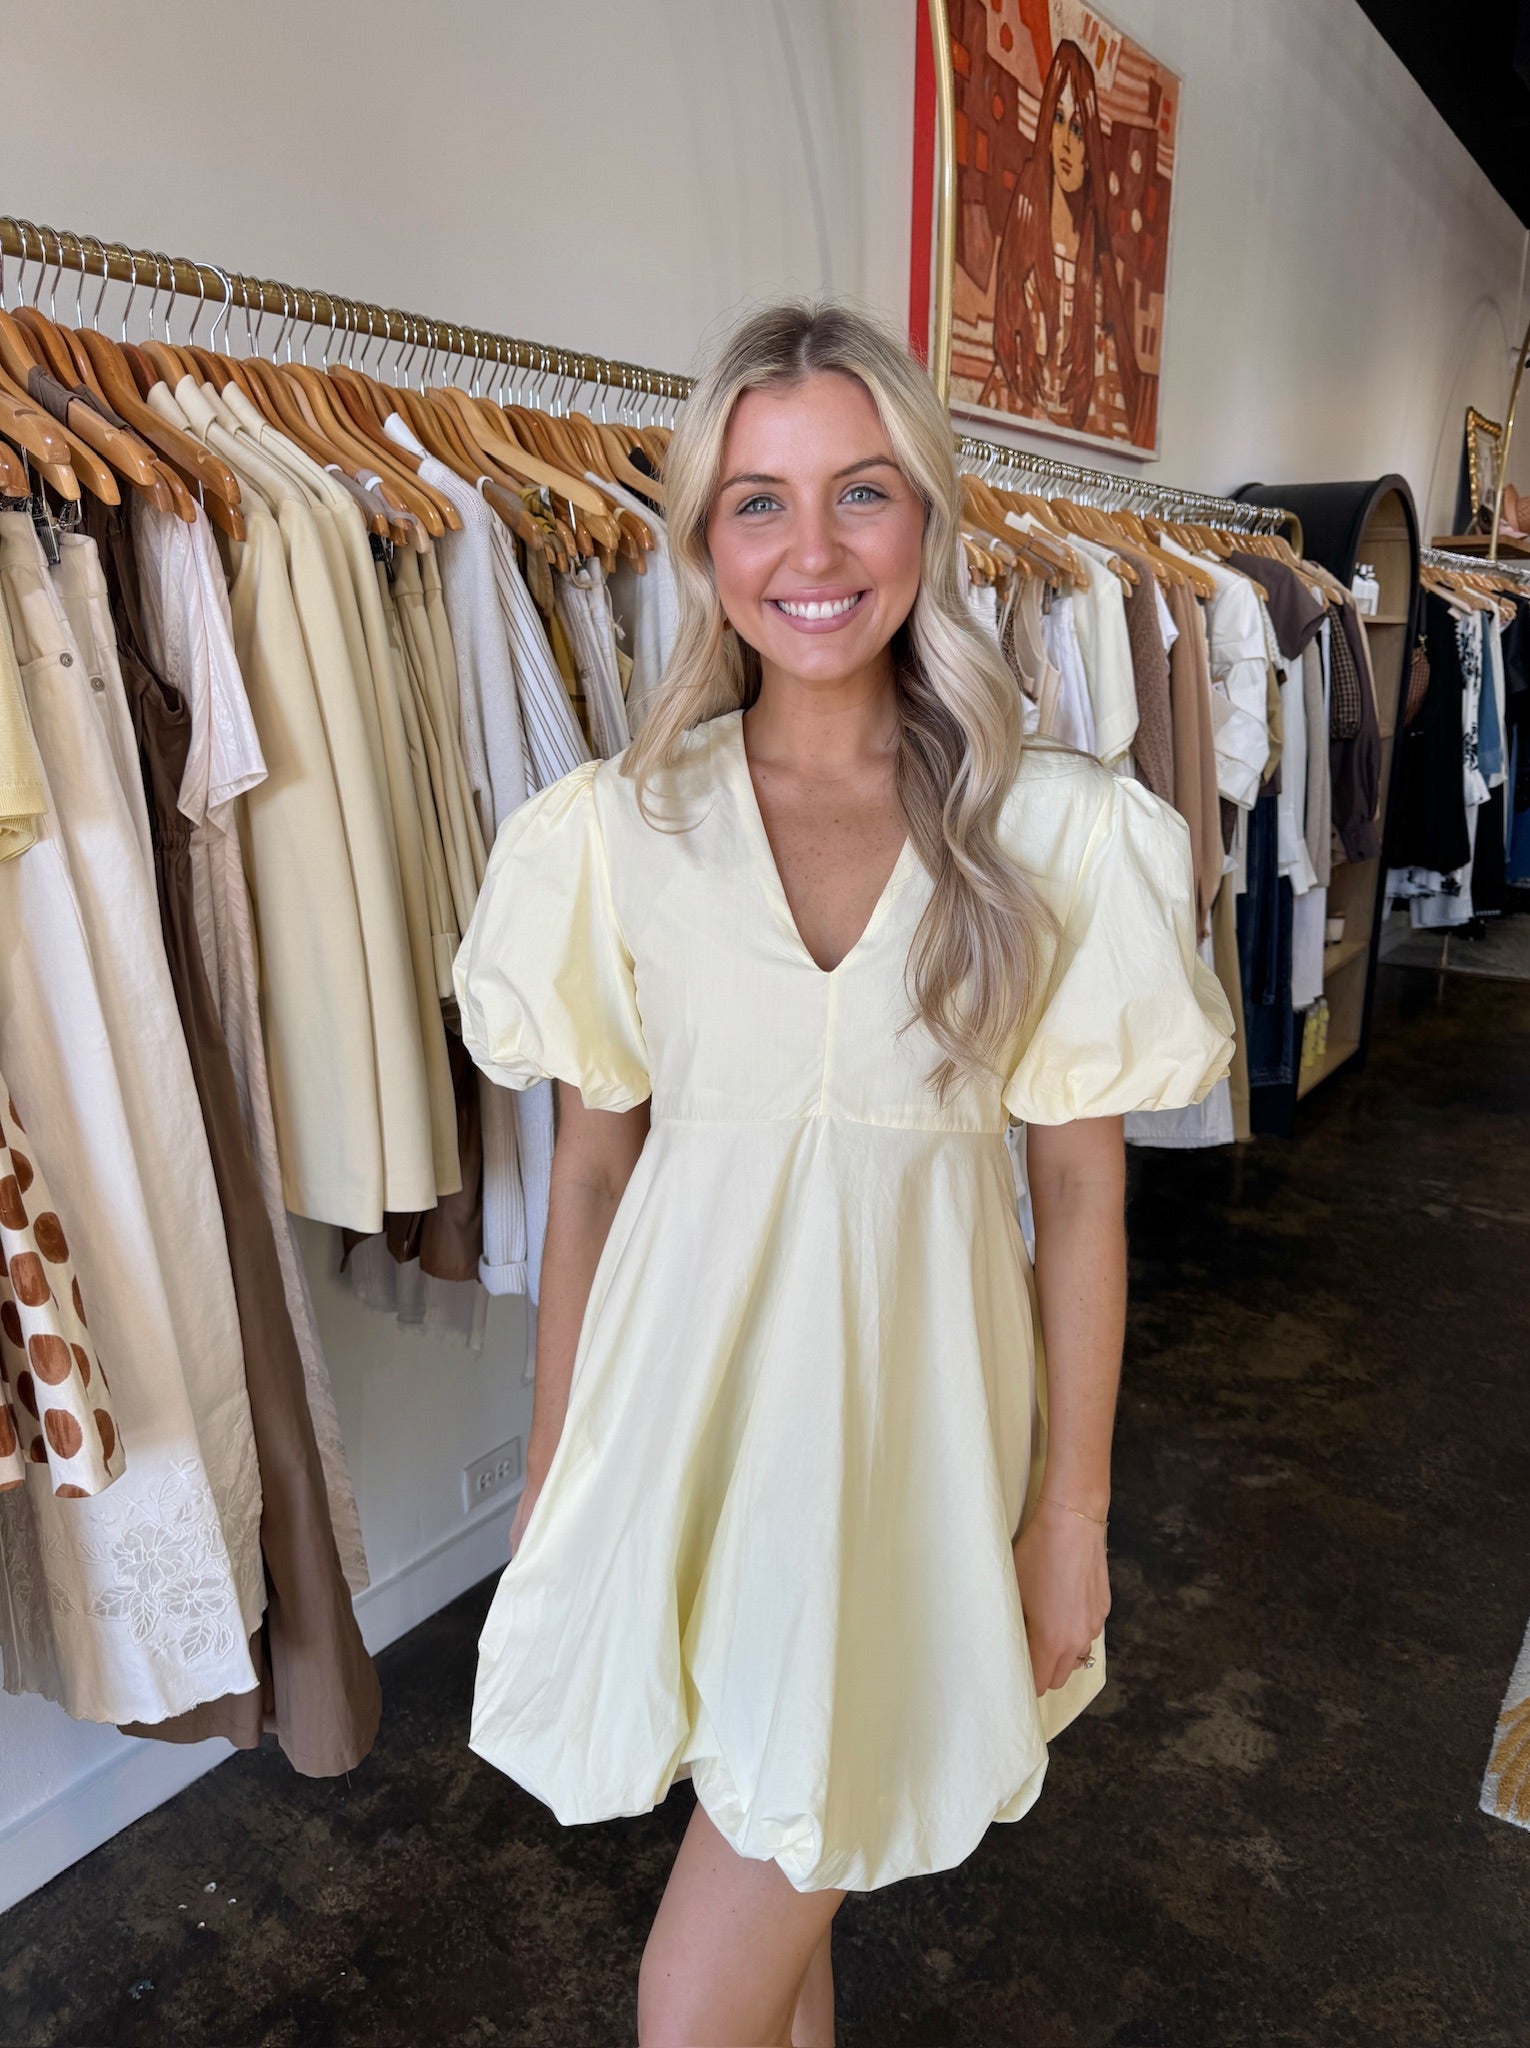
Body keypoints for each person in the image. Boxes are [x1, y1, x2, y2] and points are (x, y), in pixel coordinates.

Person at [454, 301, 1232, 2045]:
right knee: (784, 1873)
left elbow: (1086, 1196)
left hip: (906, 1444)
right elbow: (588, 1181)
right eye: (758, 501)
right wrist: (558, 1472)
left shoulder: (1050, 834)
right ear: (701, 539)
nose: (811, 551)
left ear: (930, 518)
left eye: (861, 492)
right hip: (681, 1431)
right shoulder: (614, 831)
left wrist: (1073, 1511)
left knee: (694, 1984)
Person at [984, 38, 1149, 446]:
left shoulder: (1096, 254)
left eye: (1077, 127)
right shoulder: (1026, 206)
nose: (1066, 143)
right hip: (1015, 418)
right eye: (1058, 120)